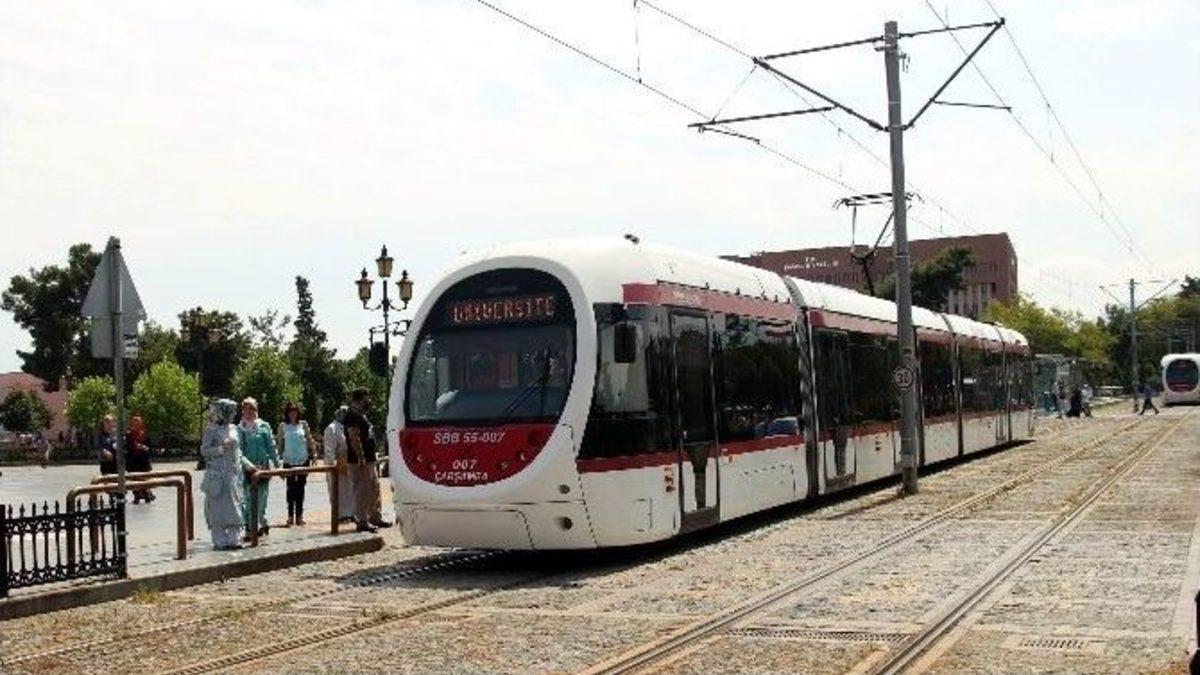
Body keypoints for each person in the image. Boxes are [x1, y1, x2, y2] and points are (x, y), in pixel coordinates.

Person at [199, 399, 256, 550]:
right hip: (218, 475)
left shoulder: (233, 428)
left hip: (233, 475)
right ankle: (219, 540)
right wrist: (220, 449)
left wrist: (249, 466)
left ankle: (234, 539)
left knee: (235, 507)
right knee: (217, 509)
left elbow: (238, 452)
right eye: (229, 411)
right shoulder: (211, 429)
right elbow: (204, 451)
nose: (232, 414)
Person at [342, 388, 391, 533]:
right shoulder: (352, 415)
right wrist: (361, 457)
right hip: (359, 460)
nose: (369, 401)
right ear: (361, 398)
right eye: (367, 398)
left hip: (370, 459)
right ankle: (362, 521)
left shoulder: (362, 415)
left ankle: (375, 517)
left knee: (373, 489)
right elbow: (354, 437)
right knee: (362, 491)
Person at [238, 397, 280, 538]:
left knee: (261, 500)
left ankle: (261, 522)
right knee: (248, 500)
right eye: (246, 408)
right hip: (248, 470)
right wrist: (249, 466)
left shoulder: (264, 426)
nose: (250, 411)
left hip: (263, 468)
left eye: (252, 408)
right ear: (242, 411)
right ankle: (251, 529)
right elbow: (239, 452)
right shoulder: (239, 429)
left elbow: (271, 446)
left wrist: (278, 464)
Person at [277, 402, 314, 527]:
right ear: (287, 413)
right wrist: (278, 462)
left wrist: (313, 454)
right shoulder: (283, 426)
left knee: (301, 488)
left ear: (298, 412)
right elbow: (279, 444)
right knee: (290, 488)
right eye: (290, 411)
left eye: (295, 411)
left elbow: (309, 440)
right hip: (288, 460)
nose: (293, 413)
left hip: (303, 459)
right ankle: (290, 516)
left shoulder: (303, 424)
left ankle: (299, 516)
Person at [323, 406, 356, 523]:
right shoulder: (331, 428)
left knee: (350, 490)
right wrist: (333, 466)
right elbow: (329, 450)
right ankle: (340, 515)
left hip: (349, 463)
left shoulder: (348, 427)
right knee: (339, 492)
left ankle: (351, 514)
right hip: (337, 465)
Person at [126, 415, 156, 504]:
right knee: (134, 478)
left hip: (143, 460)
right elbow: (128, 445)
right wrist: (135, 446)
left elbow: (150, 447)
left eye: (138, 423)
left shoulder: (144, 434)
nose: (136, 425)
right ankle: (137, 495)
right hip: (133, 460)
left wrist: (145, 448)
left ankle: (147, 495)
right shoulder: (128, 434)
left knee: (144, 478)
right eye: (134, 423)